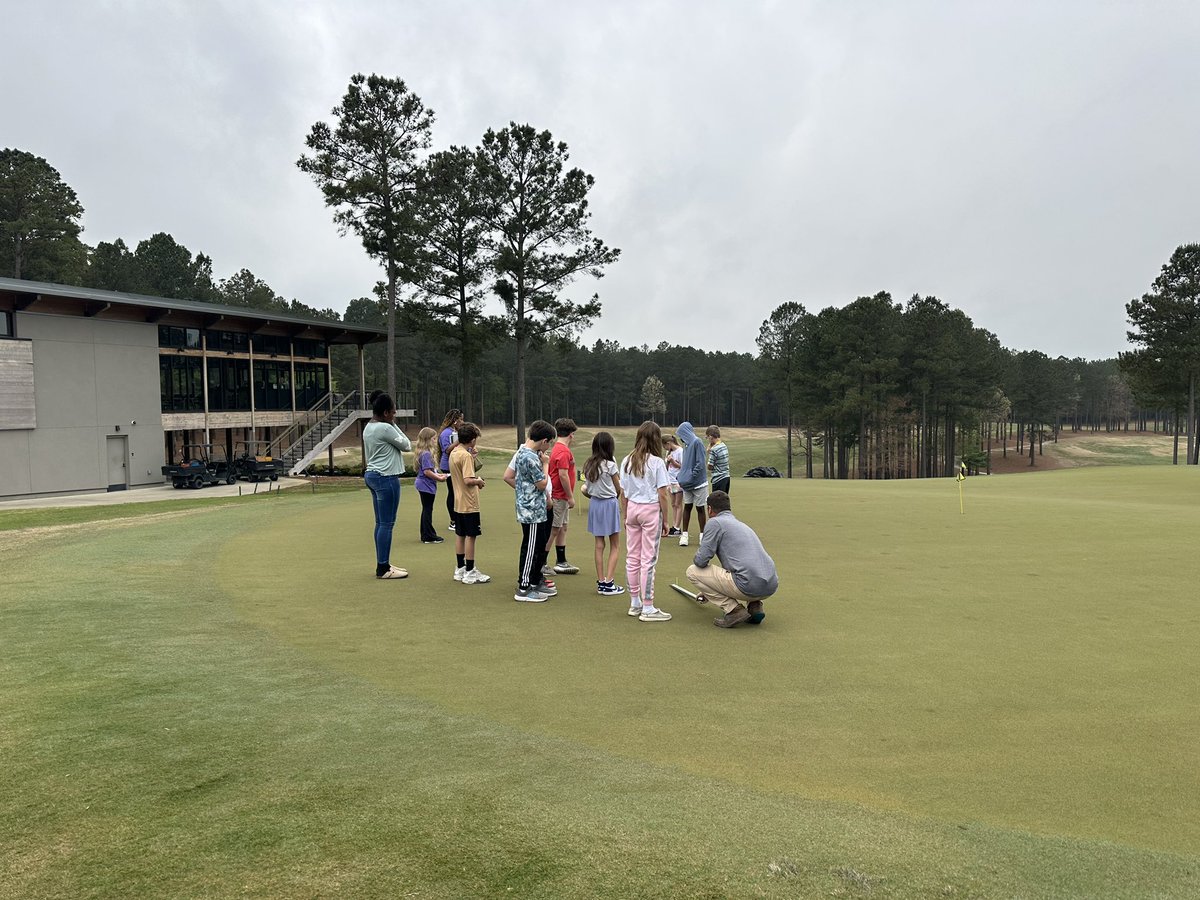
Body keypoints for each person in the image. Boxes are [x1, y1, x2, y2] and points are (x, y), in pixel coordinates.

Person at [686, 490, 778, 628]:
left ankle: (734, 610)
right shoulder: (741, 525)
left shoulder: (714, 523)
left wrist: (709, 589)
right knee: (744, 568)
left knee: (692, 571)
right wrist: (709, 590)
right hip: (770, 585)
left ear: (709, 509)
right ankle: (755, 607)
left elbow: (701, 560)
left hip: (747, 585)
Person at [620, 420, 672, 622]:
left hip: (632, 508)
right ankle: (647, 607)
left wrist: (625, 515)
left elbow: (623, 493)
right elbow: (663, 494)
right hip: (650, 510)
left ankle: (635, 603)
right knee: (648, 560)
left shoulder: (626, 460)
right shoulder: (657, 462)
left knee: (632, 557)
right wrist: (666, 520)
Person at [504, 420, 558, 602]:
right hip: (531, 510)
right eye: (549, 442)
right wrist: (546, 463)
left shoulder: (525, 452)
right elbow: (542, 483)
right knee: (530, 548)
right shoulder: (529, 457)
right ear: (543, 440)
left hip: (535, 508)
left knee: (537, 544)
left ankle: (535, 580)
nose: (548, 446)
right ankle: (523, 587)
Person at [362, 391, 412, 579]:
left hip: (373, 475)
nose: (394, 416)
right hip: (386, 477)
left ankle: (383, 563)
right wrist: (393, 424)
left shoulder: (369, 427)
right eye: (392, 412)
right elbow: (407, 445)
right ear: (385, 413)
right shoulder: (385, 428)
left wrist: (390, 422)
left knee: (380, 523)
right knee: (387, 524)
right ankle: (383, 568)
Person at [582, 431, 625, 596]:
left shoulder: (588, 464)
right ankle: (609, 583)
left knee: (599, 545)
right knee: (615, 545)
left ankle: (601, 582)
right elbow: (618, 487)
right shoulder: (610, 465)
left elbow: (587, 487)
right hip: (609, 504)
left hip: (595, 504)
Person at [449, 422, 489, 584]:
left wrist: (471, 457)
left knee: (460, 534)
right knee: (471, 536)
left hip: (458, 501)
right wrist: (479, 481)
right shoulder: (464, 455)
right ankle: (470, 571)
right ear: (472, 440)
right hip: (469, 501)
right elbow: (468, 479)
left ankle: (460, 568)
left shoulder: (455, 452)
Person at [546, 417, 581, 575]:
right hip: (559, 496)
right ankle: (542, 562)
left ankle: (561, 561)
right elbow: (563, 475)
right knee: (554, 529)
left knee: (562, 528)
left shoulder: (558, 448)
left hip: (561, 497)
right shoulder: (563, 451)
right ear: (571, 435)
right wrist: (570, 496)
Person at [674, 421, 708, 547]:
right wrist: (682, 476)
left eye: (681, 435)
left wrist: (692, 476)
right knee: (687, 507)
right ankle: (685, 535)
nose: (681, 438)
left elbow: (700, 463)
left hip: (698, 482)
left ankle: (703, 535)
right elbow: (685, 465)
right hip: (687, 483)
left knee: (700, 508)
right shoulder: (686, 446)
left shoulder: (697, 442)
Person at [413, 427, 449, 544]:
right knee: (427, 509)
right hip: (425, 485)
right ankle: (428, 535)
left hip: (424, 484)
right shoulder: (426, 454)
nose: (435, 441)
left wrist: (440, 475)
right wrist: (439, 478)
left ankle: (426, 534)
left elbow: (430, 470)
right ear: (428, 439)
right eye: (434, 438)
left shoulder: (422, 453)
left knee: (426, 509)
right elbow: (427, 471)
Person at [438, 408, 464, 533]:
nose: (462, 422)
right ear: (455, 421)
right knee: (453, 492)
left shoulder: (456, 431)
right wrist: (460, 440)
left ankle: (459, 517)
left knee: (459, 492)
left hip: (458, 464)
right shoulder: (446, 433)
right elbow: (447, 450)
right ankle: (453, 521)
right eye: (460, 420)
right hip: (448, 465)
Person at [664, 434, 684, 536]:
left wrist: (672, 461)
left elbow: (682, 466)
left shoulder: (680, 451)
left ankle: (677, 527)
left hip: (678, 480)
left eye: (665, 446)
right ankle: (674, 525)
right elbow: (666, 467)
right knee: (673, 504)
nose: (665, 449)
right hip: (670, 480)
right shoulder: (668, 452)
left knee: (678, 504)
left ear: (668, 443)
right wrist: (668, 462)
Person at [706, 425, 730, 494]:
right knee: (724, 501)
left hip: (718, 479)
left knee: (717, 503)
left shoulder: (714, 449)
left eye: (708, 437)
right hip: (726, 477)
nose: (708, 439)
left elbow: (710, 466)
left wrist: (709, 452)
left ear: (711, 436)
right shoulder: (724, 445)